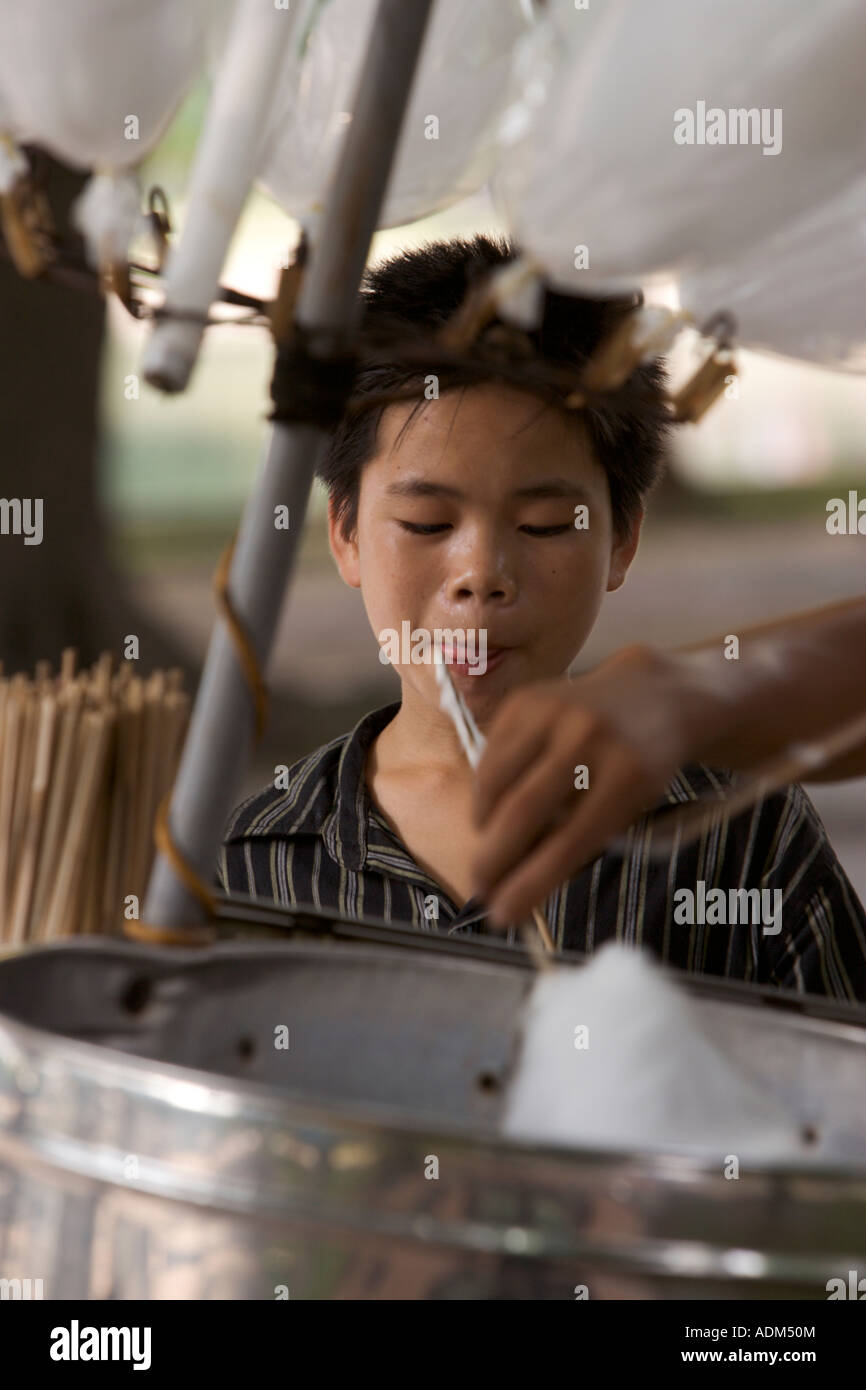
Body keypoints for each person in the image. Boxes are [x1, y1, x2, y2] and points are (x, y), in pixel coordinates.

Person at [218, 234, 866, 1003]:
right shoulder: (255, 863)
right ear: (346, 533)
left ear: (622, 537)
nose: (481, 578)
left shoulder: (734, 830)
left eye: (548, 524)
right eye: (426, 523)